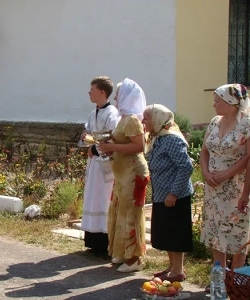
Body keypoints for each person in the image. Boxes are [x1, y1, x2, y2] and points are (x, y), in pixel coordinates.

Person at [200, 83, 250, 290]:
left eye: (217, 100)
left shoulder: (246, 124)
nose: (214, 104)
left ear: (231, 103)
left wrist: (227, 175)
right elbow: (204, 150)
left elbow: (248, 157)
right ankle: (218, 280)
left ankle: (236, 282)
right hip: (213, 189)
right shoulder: (214, 122)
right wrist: (204, 172)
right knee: (215, 234)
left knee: (236, 235)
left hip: (236, 188)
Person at [98, 78, 148, 272]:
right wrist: (109, 147)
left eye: (119, 94)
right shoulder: (123, 118)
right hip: (122, 173)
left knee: (131, 213)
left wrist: (111, 146)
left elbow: (138, 146)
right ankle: (123, 251)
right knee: (120, 211)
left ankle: (135, 258)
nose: (116, 97)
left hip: (133, 173)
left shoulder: (134, 119)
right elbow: (121, 143)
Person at [142, 104, 193, 282]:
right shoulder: (158, 137)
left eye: (146, 118)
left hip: (175, 196)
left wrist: (173, 193)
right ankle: (172, 268)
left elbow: (185, 167)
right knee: (166, 233)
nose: (143, 121)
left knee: (175, 233)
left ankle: (178, 271)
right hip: (162, 194)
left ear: (157, 119)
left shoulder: (171, 139)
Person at [78, 76, 119, 253]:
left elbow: (113, 139)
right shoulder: (92, 113)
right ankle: (92, 240)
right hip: (93, 164)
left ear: (102, 92)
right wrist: (85, 137)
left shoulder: (112, 114)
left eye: (92, 89)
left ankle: (104, 242)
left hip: (105, 165)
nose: (89, 92)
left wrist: (95, 148)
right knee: (92, 198)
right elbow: (90, 134)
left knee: (103, 200)